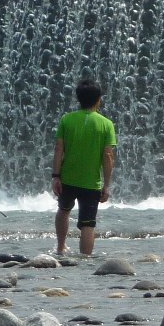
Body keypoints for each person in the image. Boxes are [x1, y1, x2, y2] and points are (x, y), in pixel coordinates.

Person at [51, 78, 117, 256]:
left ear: (78, 99)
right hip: (91, 183)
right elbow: (108, 156)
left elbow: (58, 149)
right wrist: (107, 185)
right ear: (98, 100)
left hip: (67, 179)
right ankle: (85, 260)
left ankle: (60, 248)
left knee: (63, 210)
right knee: (88, 224)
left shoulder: (67, 120)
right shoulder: (106, 124)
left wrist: (56, 176)